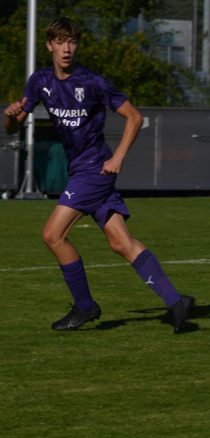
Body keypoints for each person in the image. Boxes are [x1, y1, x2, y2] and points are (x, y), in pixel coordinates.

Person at [3, 17, 194, 334]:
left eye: (72, 41)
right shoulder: (39, 81)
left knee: (53, 235)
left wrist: (118, 156)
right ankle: (176, 302)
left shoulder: (91, 82)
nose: (67, 48)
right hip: (81, 169)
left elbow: (134, 117)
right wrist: (9, 117)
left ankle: (85, 306)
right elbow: (14, 124)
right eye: (60, 41)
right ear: (49, 45)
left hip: (96, 169)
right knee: (121, 243)